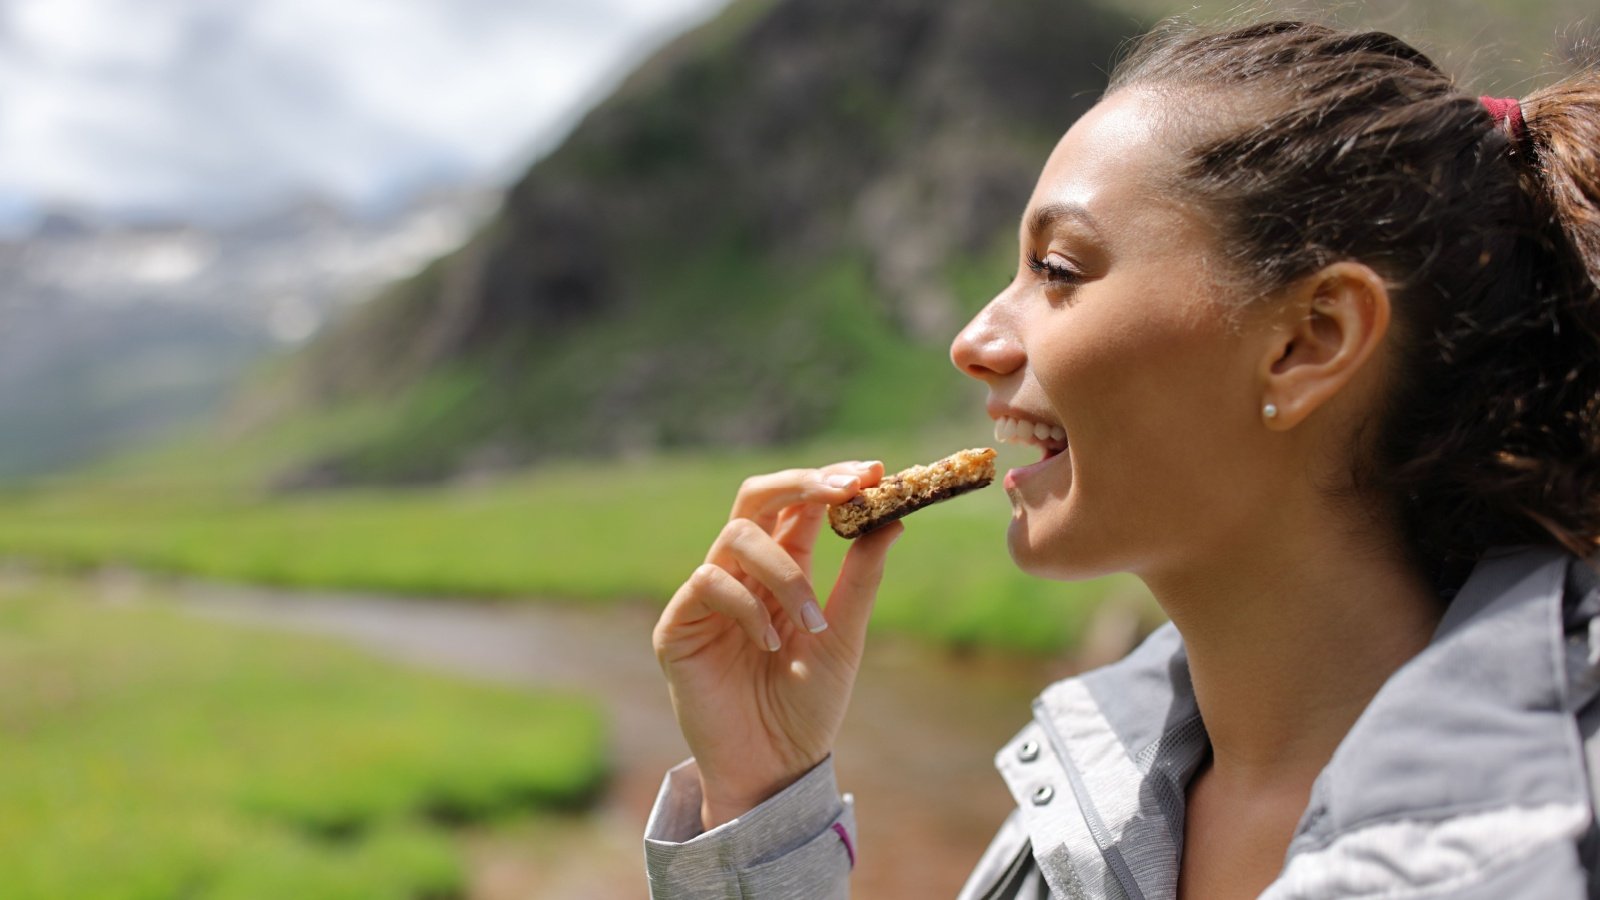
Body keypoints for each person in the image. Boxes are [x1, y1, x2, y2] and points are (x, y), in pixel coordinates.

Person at [642, 18, 1600, 899]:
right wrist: (760, 799)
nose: (974, 339)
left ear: (1310, 340)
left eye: (1058, 271)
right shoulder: (1072, 810)